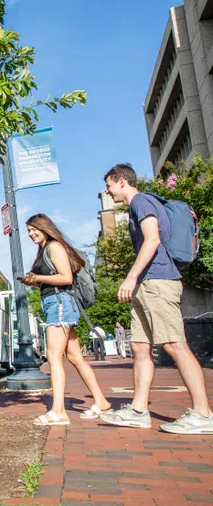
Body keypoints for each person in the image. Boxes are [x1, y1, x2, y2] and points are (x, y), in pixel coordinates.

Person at [100, 164, 212, 434]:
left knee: (175, 345)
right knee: (139, 346)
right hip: (146, 284)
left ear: (121, 181)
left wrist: (130, 276)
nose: (107, 191)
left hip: (158, 281)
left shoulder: (141, 201)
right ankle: (138, 411)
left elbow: (152, 240)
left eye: (109, 185)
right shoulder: (137, 205)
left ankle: (203, 414)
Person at [20, 214, 112, 426]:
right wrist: (33, 282)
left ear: (45, 228)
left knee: (53, 355)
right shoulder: (44, 250)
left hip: (60, 304)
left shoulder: (54, 247)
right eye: (29, 231)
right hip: (56, 302)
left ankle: (59, 411)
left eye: (34, 229)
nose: (31, 234)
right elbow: (54, 279)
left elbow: (66, 278)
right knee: (75, 357)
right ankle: (101, 401)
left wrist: (38, 277)